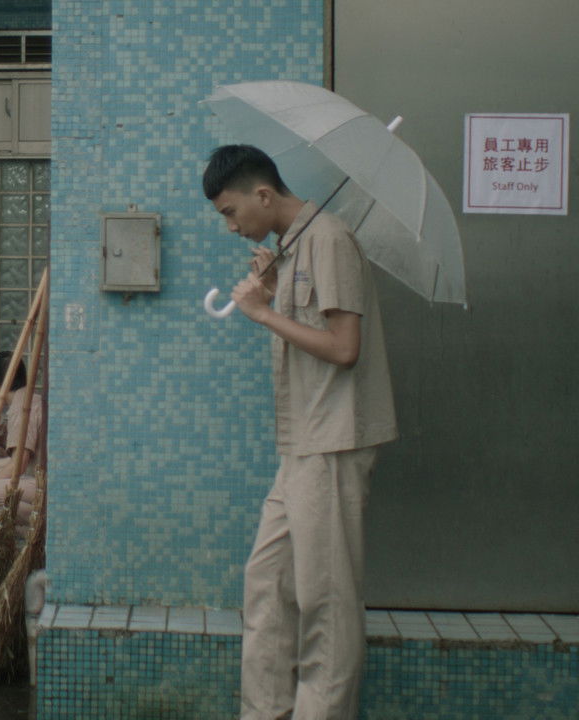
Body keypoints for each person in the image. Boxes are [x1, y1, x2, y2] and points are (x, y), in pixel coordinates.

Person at [202, 144, 397, 720]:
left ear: (264, 195)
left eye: (231, 213)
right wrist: (272, 282)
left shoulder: (330, 239)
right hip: (303, 445)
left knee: (326, 605)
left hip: (333, 442)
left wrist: (263, 312)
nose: (232, 226)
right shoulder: (294, 248)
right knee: (267, 586)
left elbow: (344, 348)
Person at [0, 350, 45, 532]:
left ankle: (42, 528)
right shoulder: (33, 399)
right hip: (39, 478)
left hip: (47, 483)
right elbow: (20, 458)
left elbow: (18, 465)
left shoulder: (22, 408)